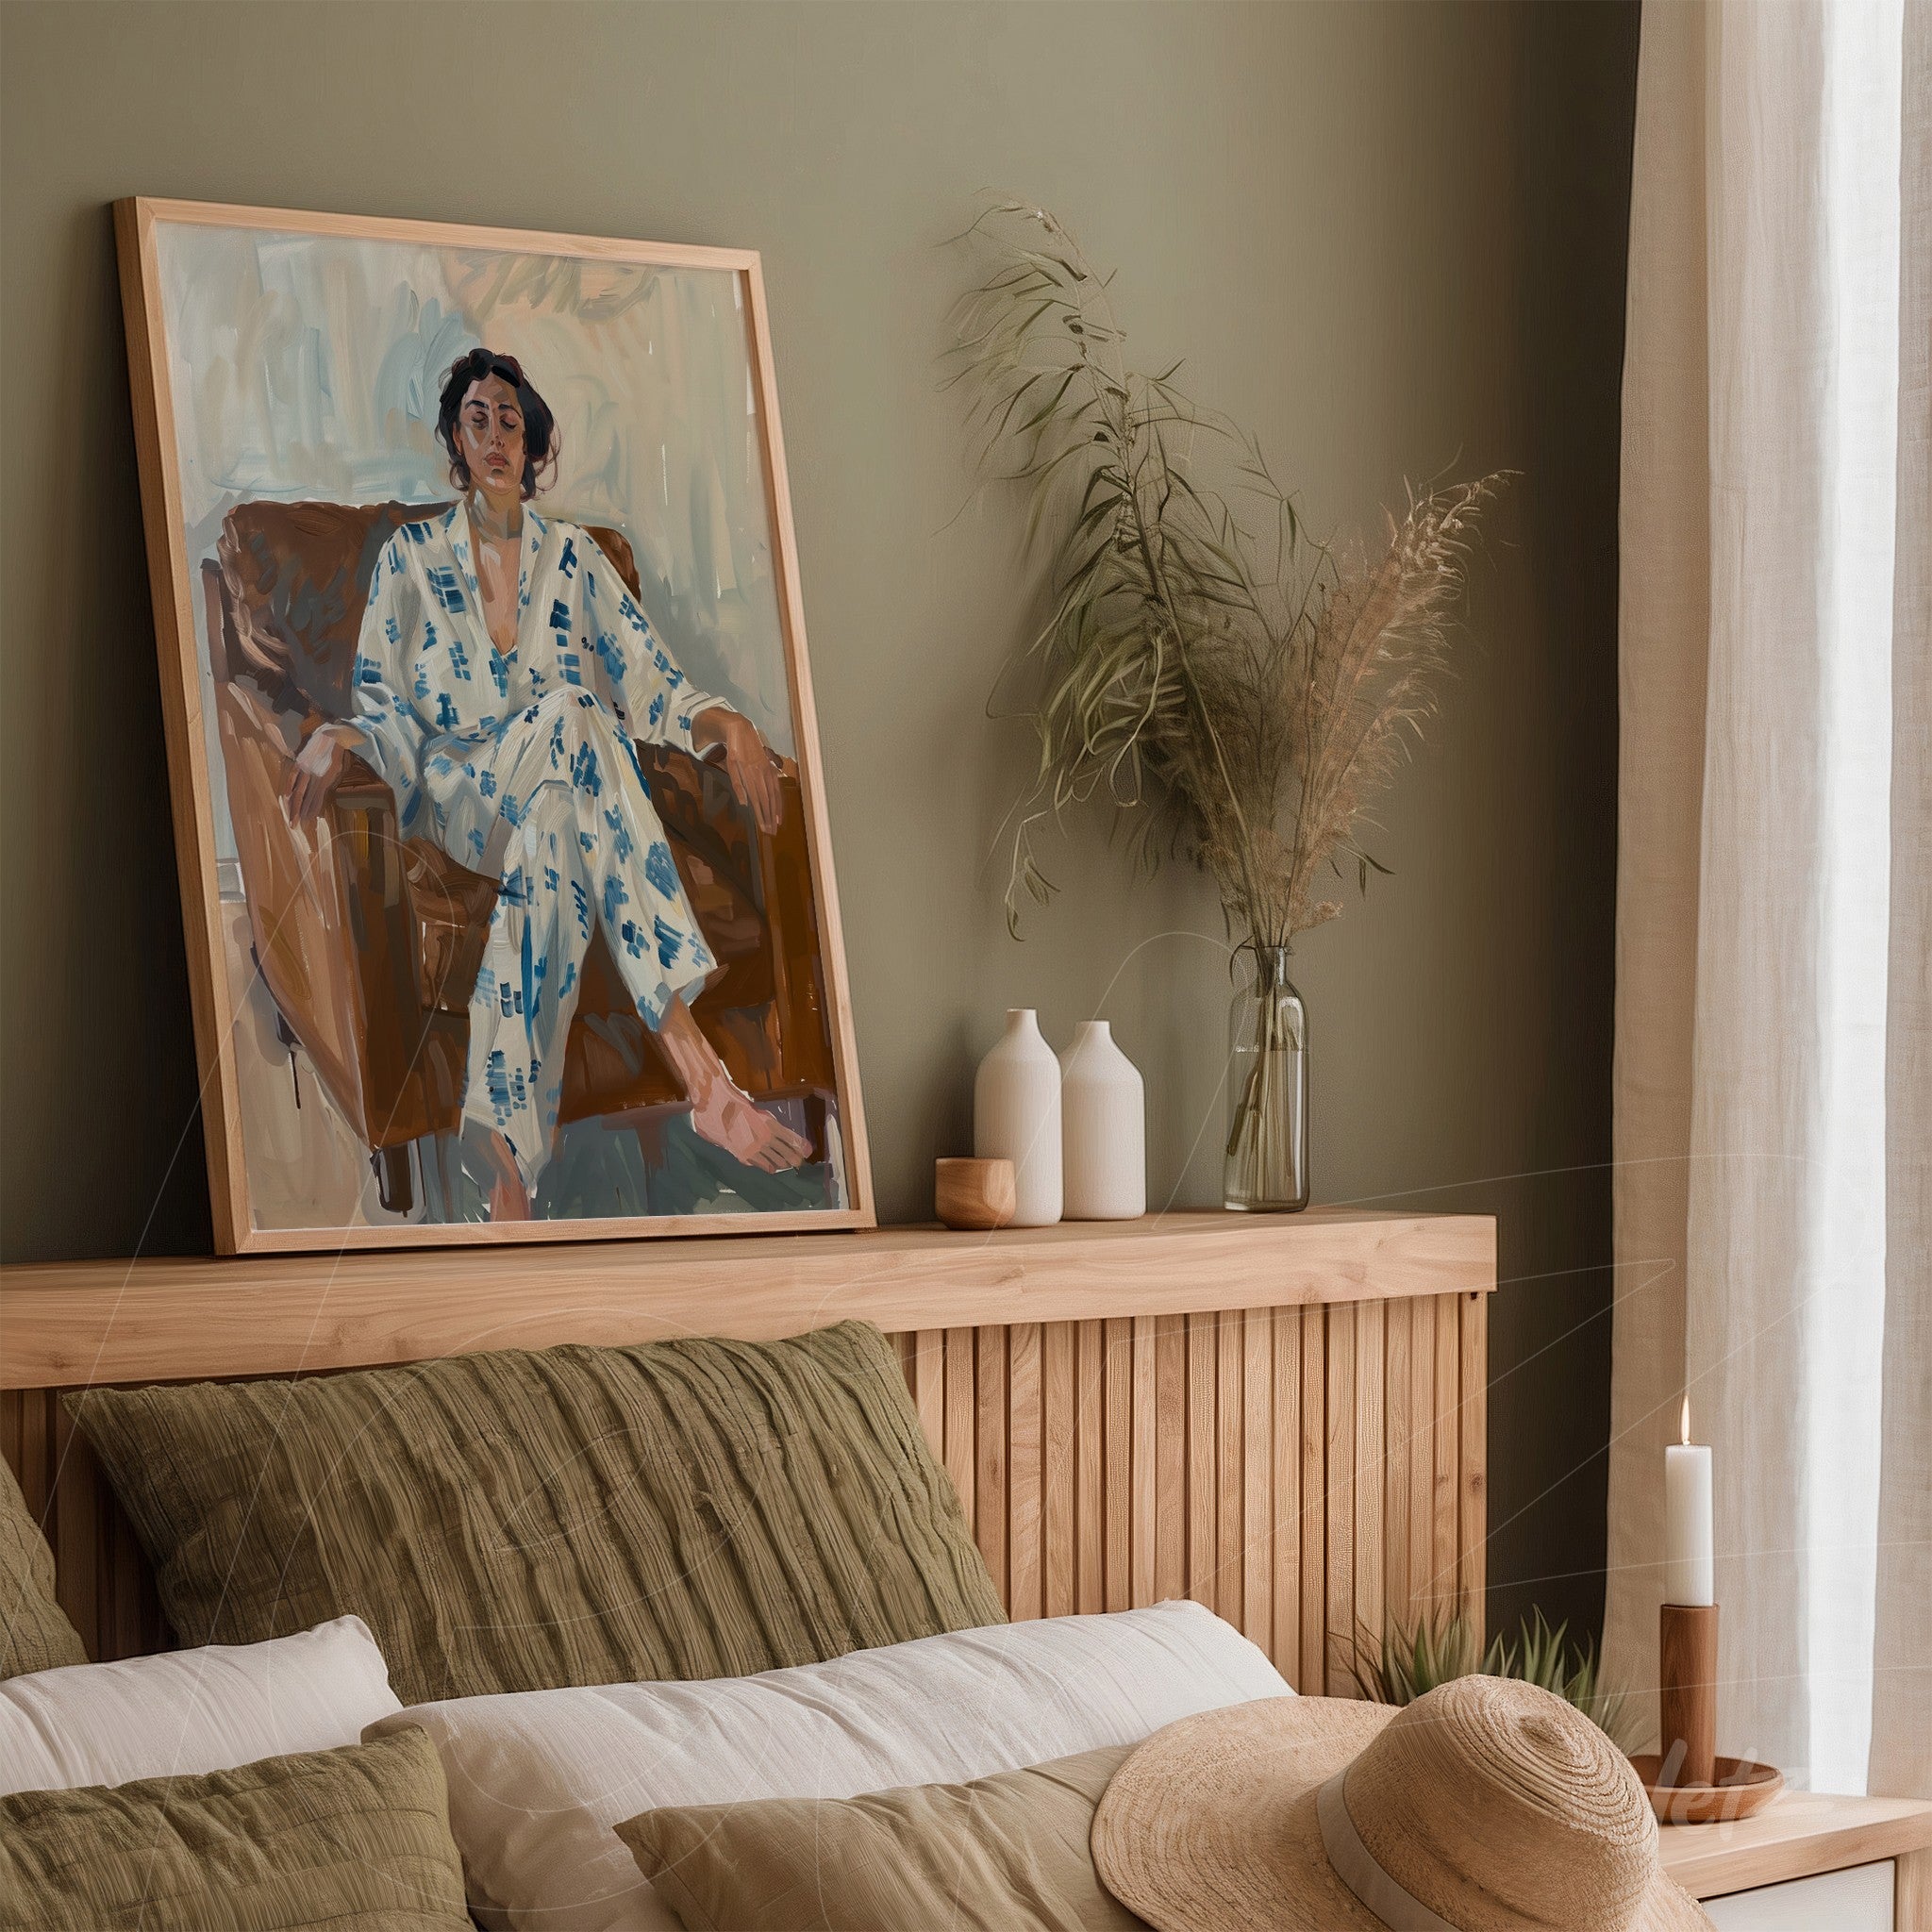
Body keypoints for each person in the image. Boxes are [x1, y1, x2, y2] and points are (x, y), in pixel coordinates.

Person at [283, 347, 810, 1220]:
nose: (494, 436)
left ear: (532, 447)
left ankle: (501, 1160)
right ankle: (703, 1078)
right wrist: (337, 735)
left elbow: (647, 679)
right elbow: (386, 709)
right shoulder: (409, 558)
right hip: (460, 792)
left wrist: (721, 722)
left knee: (558, 835)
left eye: (511, 421)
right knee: (571, 714)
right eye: (478, 419)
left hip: (554, 793)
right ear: (456, 437)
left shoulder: (573, 559)